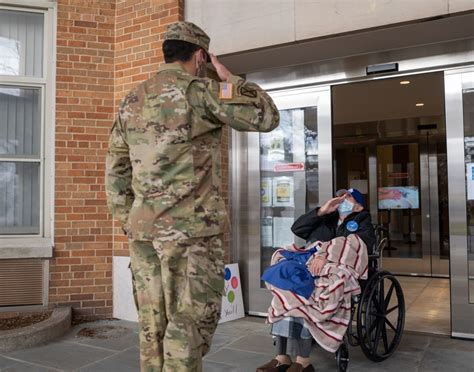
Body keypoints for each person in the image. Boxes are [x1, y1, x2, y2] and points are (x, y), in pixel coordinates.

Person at [106, 21, 280, 372]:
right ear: (200, 55)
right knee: (188, 327)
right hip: (192, 237)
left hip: (143, 236)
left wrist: (131, 219)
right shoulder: (201, 92)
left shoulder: (131, 100)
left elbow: (115, 172)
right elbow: (267, 116)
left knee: (153, 329)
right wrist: (232, 81)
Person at [257, 188, 375, 372]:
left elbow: (359, 243)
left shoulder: (362, 219)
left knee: (310, 295)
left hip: (335, 270)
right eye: (340, 195)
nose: (342, 199)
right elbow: (298, 229)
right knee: (287, 288)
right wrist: (322, 211)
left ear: (359, 207)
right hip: (310, 266)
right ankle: (282, 357)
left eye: (349, 196)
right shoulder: (327, 218)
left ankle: (303, 361)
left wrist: (326, 254)